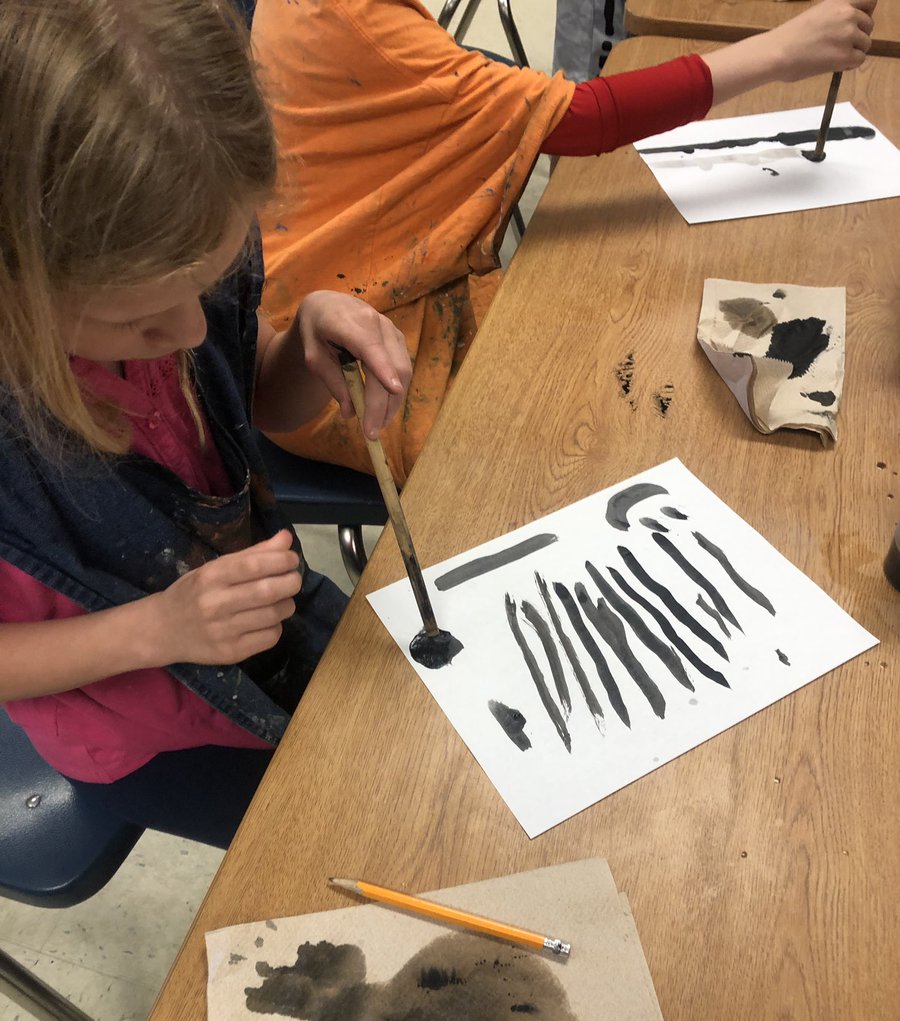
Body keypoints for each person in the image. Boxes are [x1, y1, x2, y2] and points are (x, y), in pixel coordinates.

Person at [0, 0, 412, 848]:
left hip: (260, 611)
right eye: (139, 320)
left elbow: (253, 397)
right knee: (358, 840)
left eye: (213, 281)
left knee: (420, 758)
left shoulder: (165, 270)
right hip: (141, 727)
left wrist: (301, 347)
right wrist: (157, 629)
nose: (190, 332)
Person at [252, 0, 876, 485]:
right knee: (574, 442)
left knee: (617, 350)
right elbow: (581, 119)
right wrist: (784, 51)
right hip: (333, 355)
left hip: (377, 281)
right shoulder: (351, 21)